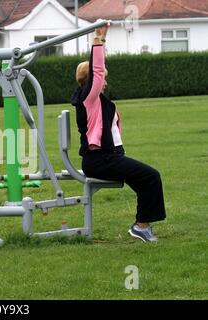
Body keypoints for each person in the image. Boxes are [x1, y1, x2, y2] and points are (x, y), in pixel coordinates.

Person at [70, 25, 166, 242]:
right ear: (91, 80)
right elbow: (96, 69)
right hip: (99, 160)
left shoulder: (98, 101)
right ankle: (141, 227)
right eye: (102, 75)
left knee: (146, 180)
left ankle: (142, 226)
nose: (105, 78)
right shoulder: (89, 99)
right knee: (152, 176)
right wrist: (98, 40)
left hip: (109, 157)